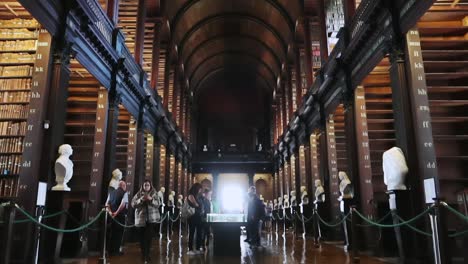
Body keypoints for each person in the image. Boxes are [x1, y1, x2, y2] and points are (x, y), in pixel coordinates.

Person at [131, 180, 160, 263]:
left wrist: (151, 199)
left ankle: (147, 255)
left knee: (148, 238)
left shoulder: (154, 193)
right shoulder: (139, 194)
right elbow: (133, 204)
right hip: (141, 220)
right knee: (142, 239)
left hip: (151, 220)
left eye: (148, 185)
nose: (146, 186)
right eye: (145, 185)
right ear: (142, 186)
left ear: (150, 186)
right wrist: (141, 199)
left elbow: (158, 203)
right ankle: (144, 255)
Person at [106, 180, 128, 256]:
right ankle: (116, 251)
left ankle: (110, 251)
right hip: (120, 216)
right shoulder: (125, 193)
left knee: (112, 233)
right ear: (123, 186)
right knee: (119, 234)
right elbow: (123, 204)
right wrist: (116, 213)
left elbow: (107, 204)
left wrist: (111, 213)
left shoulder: (111, 193)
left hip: (111, 217)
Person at [187, 183, 204, 255]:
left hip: (199, 216)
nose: (200, 190)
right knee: (192, 232)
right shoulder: (191, 195)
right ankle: (190, 249)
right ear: (196, 188)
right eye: (199, 189)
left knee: (199, 232)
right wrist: (200, 206)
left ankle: (197, 248)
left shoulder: (198, 196)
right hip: (192, 217)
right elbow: (196, 205)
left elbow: (200, 205)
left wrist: (201, 207)